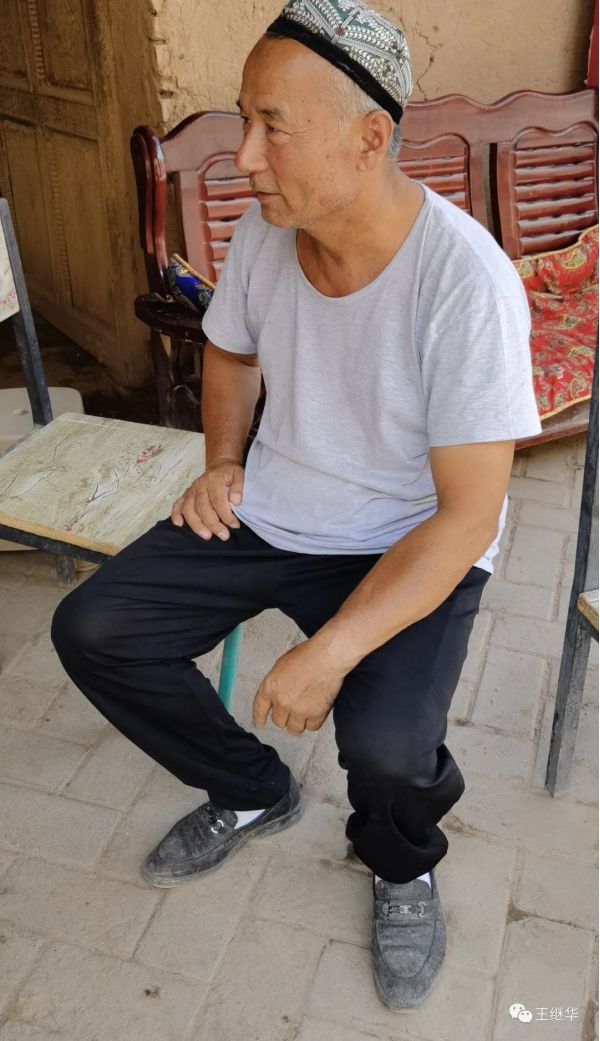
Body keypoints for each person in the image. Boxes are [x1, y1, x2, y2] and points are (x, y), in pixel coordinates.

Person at [51, 0, 542, 1012]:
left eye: (273, 125)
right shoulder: (270, 235)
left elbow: (466, 518)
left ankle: (400, 863)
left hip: (409, 540)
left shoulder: (466, 284)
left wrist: (329, 654)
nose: (244, 155)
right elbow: (230, 351)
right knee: (96, 628)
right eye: (245, 119)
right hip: (276, 509)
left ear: (370, 137)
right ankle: (251, 787)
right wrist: (223, 459)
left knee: (388, 752)